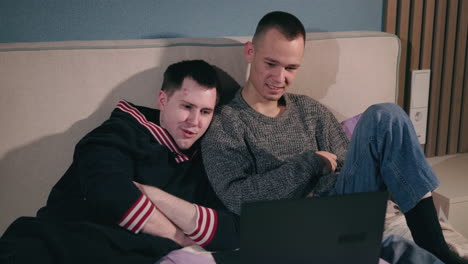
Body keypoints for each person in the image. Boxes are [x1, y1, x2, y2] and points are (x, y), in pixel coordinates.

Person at [202, 11, 465, 264]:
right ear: (250, 52)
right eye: (270, 64)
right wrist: (312, 163)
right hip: (292, 226)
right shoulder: (225, 122)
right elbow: (237, 199)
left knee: (386, 116)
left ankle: (434, 245)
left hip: (344, 209)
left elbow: (349, 165)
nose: (279, 78)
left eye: (291, 68)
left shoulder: (310, 110)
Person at [0, 60, 239, 264]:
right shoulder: (119, 132)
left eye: (205, 112)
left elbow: (231, 229)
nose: (194, 122)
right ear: (163, 101)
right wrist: (181, 239)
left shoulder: (209, 158)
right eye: (187, 107)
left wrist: (153, 195)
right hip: (62, 245)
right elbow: (108, 189)